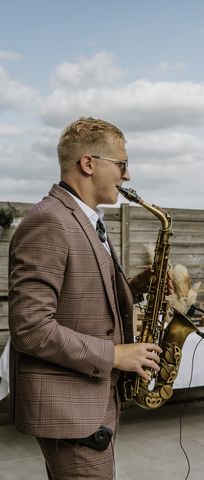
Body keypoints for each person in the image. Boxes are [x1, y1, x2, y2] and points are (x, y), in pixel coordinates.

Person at [8, 117, 162, 479]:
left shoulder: (84, 218)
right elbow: (30, 328)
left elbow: (85, 293)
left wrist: (142, 284)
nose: (127, 176)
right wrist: (114, 354)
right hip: (70, 411)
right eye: (122, 164)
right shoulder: (49, 221)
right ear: (88, 163)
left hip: (89, 402)